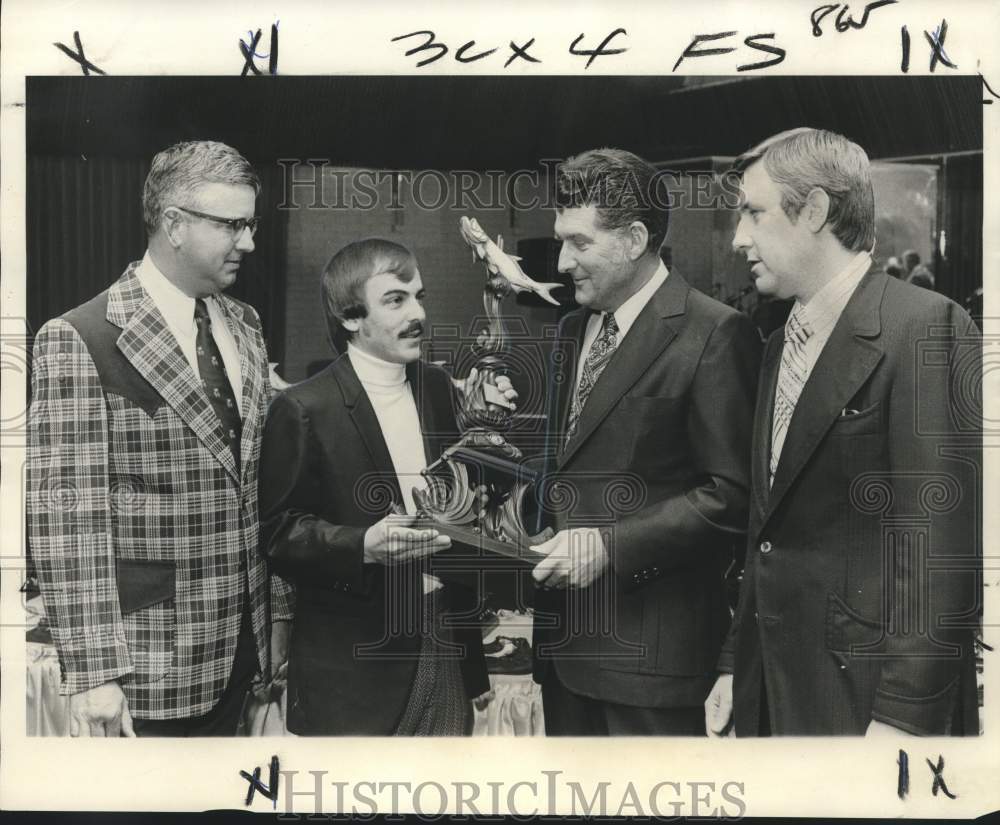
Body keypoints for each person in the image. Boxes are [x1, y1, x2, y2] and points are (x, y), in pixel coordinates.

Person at [706, 127, 981, 736]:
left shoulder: (924, 326)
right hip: (771, 694)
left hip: (864, 709)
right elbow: (765, 529)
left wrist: (906, 718)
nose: (737, 238)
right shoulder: (779, 344)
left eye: (753, 212)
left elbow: (937, 552)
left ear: (815, 211)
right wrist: (733, 661)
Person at [27, 140, 293, 737]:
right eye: (233, 225)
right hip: (146, 671)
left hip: (245, 659)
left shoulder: (246, 325)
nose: (248, 242)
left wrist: (277, 627)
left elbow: (262, 491)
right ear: (173, 224)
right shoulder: (78, 337)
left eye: (250, 224)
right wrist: (95, 671)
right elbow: (67, 520)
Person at [530, 148, 761, 735]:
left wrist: (608, 547)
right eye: (561, 241)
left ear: (634, 239)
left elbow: (732, 496)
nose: (562, 262)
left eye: (579, 243)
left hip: (652, 670)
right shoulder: (569, 331)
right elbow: (569, 468)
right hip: (564, 660)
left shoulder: (716, 333)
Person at [258, 238, 513, 735]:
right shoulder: (304, 408)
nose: (417, 312)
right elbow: (278, 535)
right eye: (395, 300)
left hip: (445, 645)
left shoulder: (438, 389)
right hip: (355, 672)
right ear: (351, 318)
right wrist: (363, 546)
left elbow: (463, 504)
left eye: (419, 296)